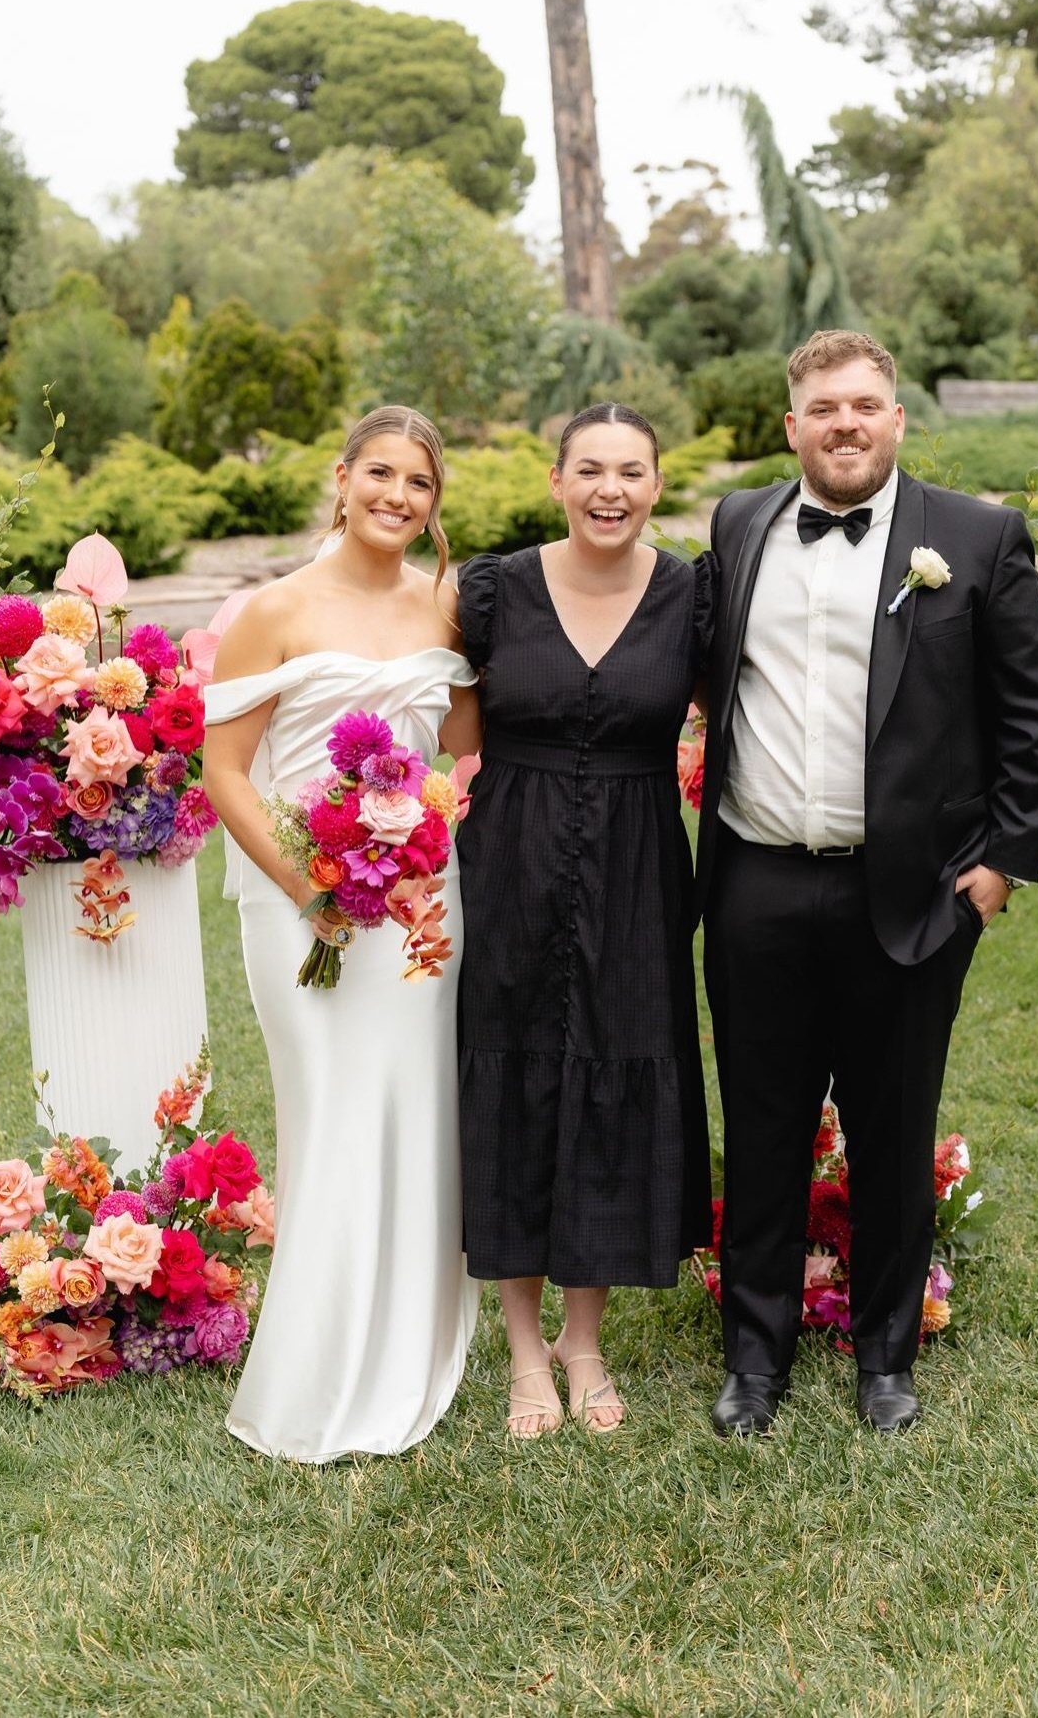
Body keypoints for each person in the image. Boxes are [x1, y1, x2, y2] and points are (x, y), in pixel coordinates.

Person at [698, 330, 1038, 1438]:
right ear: (792, 424)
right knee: (761, 1127)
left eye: (866, 404)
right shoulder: (739, 524)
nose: (846, 422)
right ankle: (753, 1363)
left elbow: (1031, 717)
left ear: (897, 418)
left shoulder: (976, 536)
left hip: (909, 897)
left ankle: (885, 1359)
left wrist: (995, 871)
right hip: (754, 881)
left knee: (894, 1127)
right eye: (824, 406)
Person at [202, 406, 480, 1461]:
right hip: (296, 902)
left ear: (433, 502)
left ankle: (406, 1345)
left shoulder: (444, 611)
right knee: (327, 1111)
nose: (397, 496)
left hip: (419, 904)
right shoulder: (272, 610)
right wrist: (308, 885)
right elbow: (225, 768)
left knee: (409, 1112)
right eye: (380, 473)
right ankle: (313, 1371)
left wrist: (421, 841)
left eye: (419, 482)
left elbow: (458, 750)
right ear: (342, 476)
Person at [456, 402, 714, 1437]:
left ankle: (585, 1338)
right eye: (592, 469)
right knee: (516, 1074)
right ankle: (524, 1349)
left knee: (615, 1072)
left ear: (658, 484)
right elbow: (420, 694)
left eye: (633, 471)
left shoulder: (694, 594)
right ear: (557, 480)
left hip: (642, 862)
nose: (612, 488)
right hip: (508, 858)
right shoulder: (490, 589)